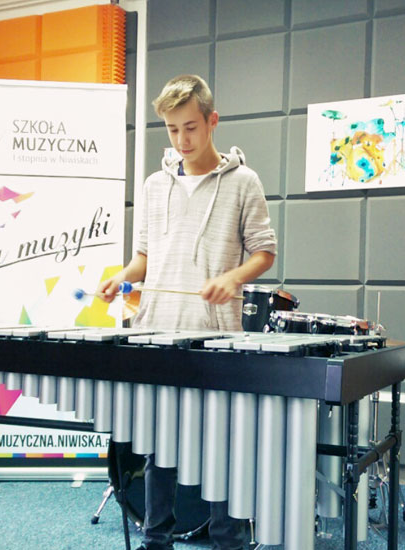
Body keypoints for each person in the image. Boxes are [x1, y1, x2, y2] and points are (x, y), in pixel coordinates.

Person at [98, 75, 277, 550]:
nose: (182, 139)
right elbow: (144, 257)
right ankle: (155, 540)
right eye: (173, 129)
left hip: (215, 338)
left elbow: (264, 252)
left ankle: (228, 542)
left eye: (191, 127)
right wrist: (122, 277)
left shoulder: (244, 182)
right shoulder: (154, 185)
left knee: (220, 453)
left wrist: (233, 278)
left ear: (212, 121)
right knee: (160, 451)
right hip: (157, 334)